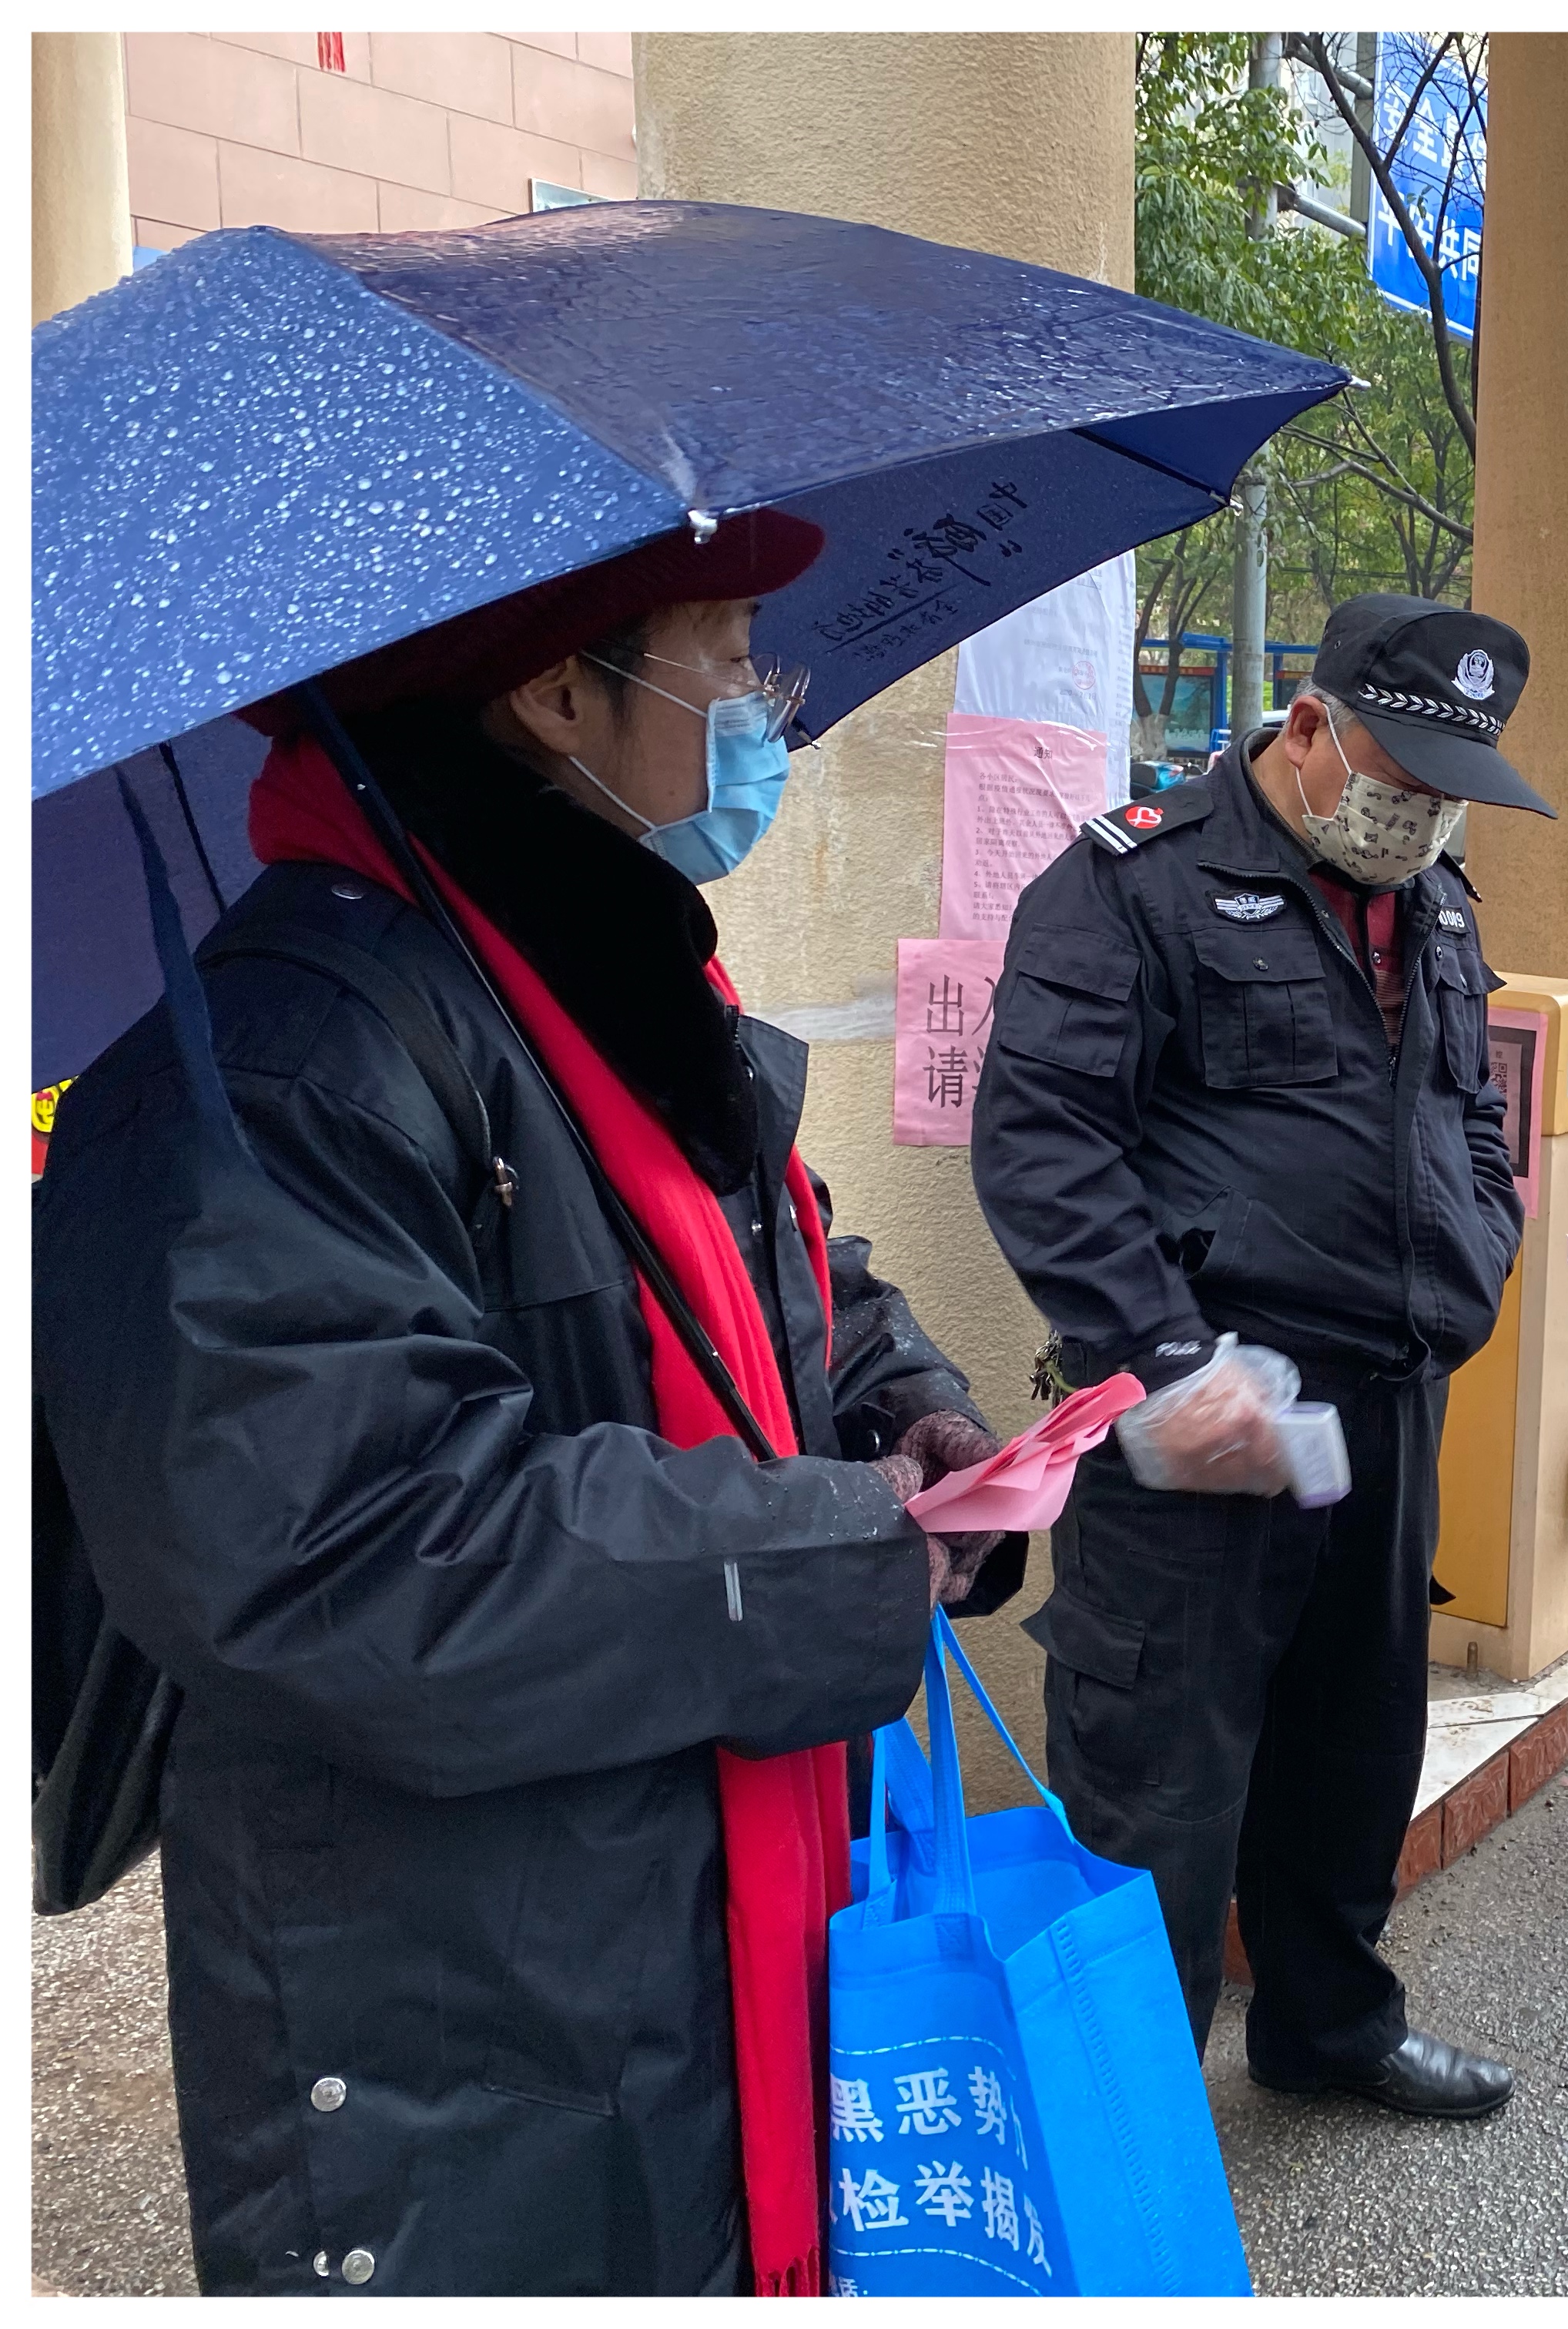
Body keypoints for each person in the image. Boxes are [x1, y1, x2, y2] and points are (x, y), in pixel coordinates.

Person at [33, 512, 1020, 2297]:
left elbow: (772, 1273)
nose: (765, 706)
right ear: (561, 693)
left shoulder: (586, 962)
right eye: (728, 648)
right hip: (462, 2000)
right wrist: (836, 1546)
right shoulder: (278, 1067)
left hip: (672, 1904)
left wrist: (910, 1410)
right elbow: (363, 1548)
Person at [970, 592, 1545, 2116]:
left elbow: (1469, 1118)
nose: (1419, 815)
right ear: (1307, 725)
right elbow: (1044, 1141)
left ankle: (1329, 2026)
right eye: (1400, 776)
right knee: (1162, 1767)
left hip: (1383, 1405)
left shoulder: (1433, 897)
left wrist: (1479, 1258)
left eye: (1448, 793)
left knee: (1355, 1743)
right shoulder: (1135, 883)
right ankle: (1130, 2115)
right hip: (1199, 1413)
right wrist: (1166, 1360)